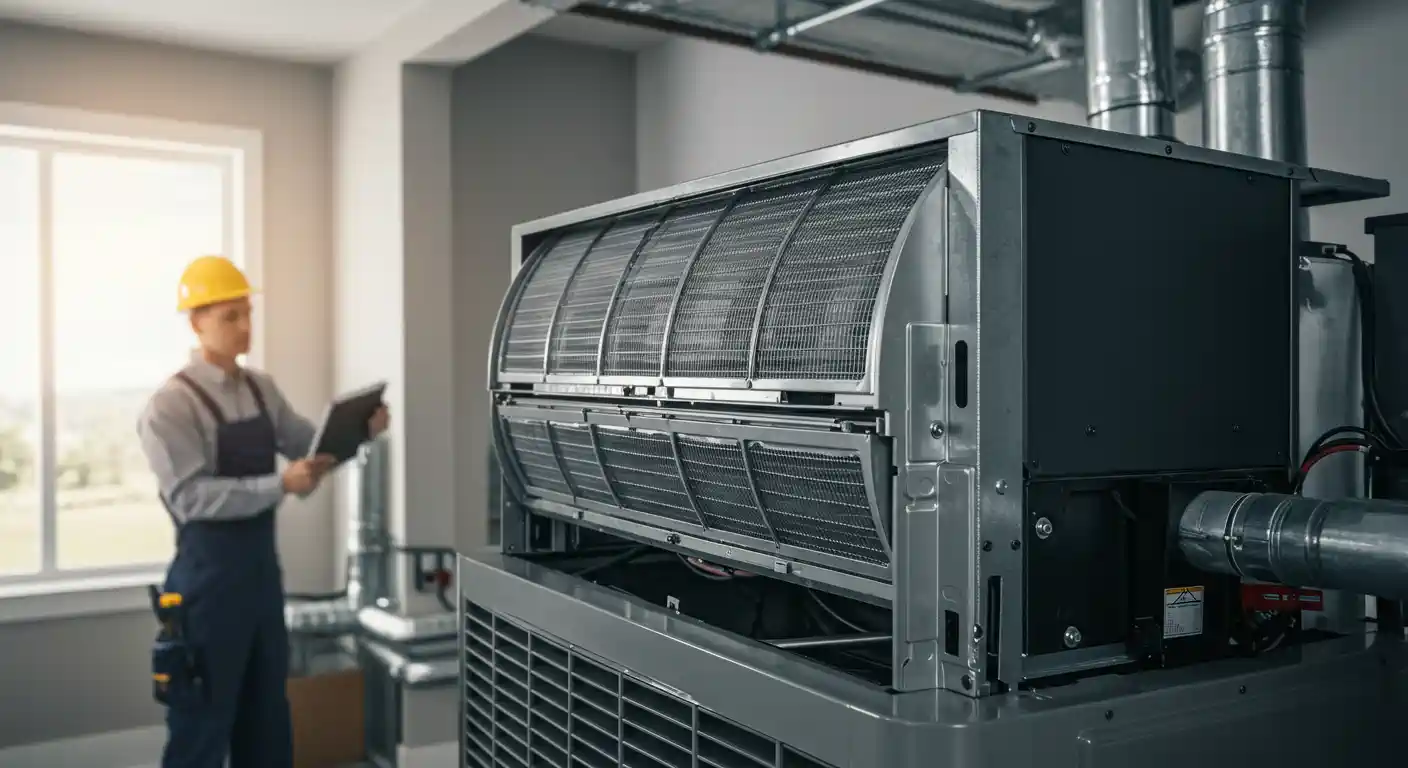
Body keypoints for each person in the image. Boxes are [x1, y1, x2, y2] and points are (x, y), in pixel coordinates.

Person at [136, 255, 389, 767]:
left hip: (260, 581)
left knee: (267, 718)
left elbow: (306, 447)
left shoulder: (261, 388)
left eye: (247, 313)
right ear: (196, 322)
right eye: (230, 316)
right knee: (202, 725)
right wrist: (281, 482)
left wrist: (358, 432)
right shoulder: (169, 407)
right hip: (205, 588)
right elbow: (191, 498)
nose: (245, 326)